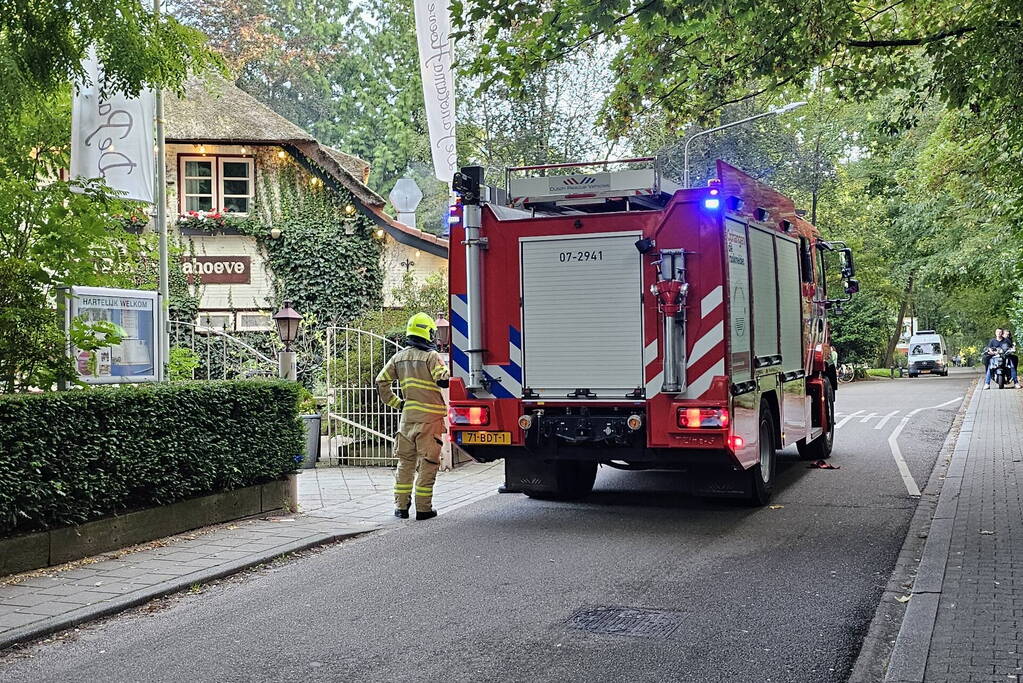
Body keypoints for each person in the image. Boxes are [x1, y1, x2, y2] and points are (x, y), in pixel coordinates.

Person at [375, 313, 450, 520]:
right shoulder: (431, 357)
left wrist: (398, 404)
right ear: (427, 333)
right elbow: (442, 380)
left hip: (407, 420)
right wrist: (450, 369)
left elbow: (381, 381)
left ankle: (401, 508)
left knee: (405, 463)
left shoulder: (398, 358)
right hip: (430, 420)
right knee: (428, 462)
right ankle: (423, 509)